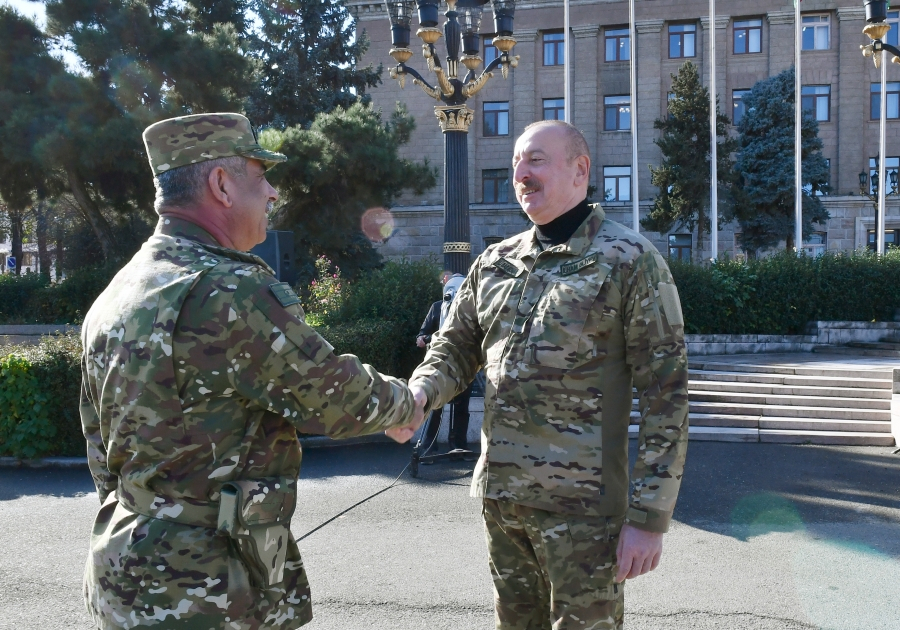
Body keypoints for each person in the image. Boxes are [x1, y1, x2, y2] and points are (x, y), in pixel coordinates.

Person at [79, 112, 424, 629]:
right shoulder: (229, 290)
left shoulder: (122, 289)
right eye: (261, 176)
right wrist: (409, 403)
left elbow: (99, 448)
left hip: (124, 568)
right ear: (221, 185)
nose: (273, 193)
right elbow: (341, 398)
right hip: (207, 586)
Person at [409, 120, 689, 629]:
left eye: (536, 159)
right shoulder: (495, 261)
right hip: (502, 499)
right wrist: (420, 394)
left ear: (579, 170)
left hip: (582, 511)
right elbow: (455, 347)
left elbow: (665, 395)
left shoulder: (629, 261)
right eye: (517, 161)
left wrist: (650, 518)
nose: (521, 172)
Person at [415, 272, 472, 454]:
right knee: (436, 406)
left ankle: (459, 445)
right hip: (439, 364)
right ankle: (429, 446)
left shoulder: (469, 311)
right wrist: (423, 338)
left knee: (462, 407)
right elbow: (422, 333)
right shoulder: (437, 307)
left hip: (464, 364)